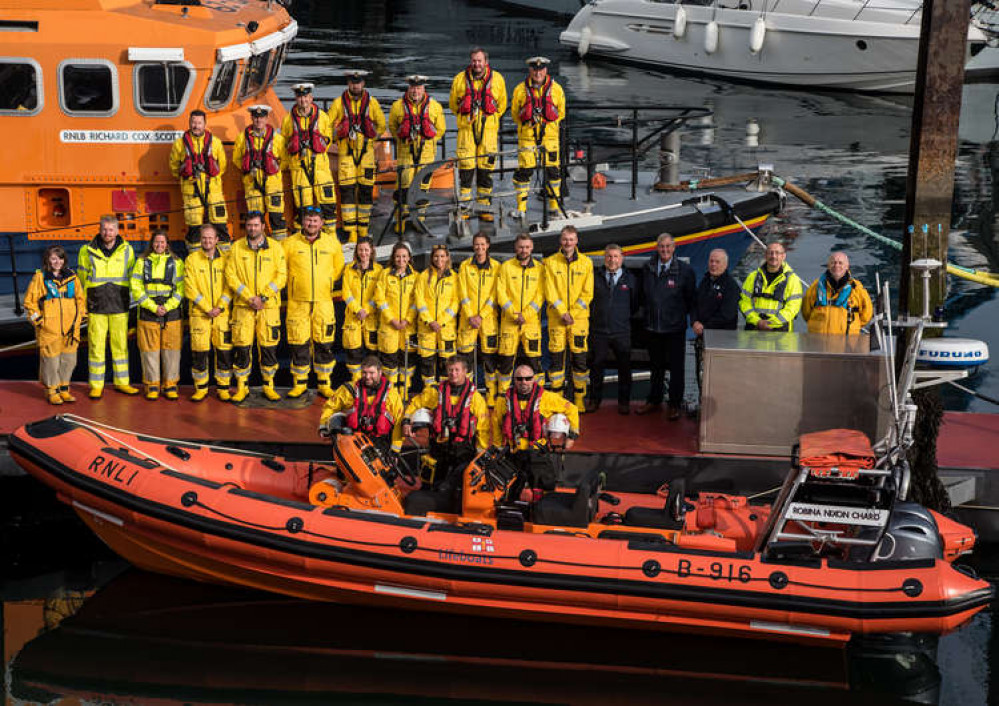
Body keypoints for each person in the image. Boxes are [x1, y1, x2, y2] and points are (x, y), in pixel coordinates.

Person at [402, 355, 490, 492]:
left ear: (465, 371)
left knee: (459, 488)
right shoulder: (435, 392)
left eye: (457, 370)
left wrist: (479, 455)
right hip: (439, 447)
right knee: (430, 485)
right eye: (450, 370)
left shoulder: (476, 399)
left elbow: (483, 429)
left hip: (463, 450)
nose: (453, 374)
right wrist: (406, 421)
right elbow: (415, 403)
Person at [282, 208, 345, 399]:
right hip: (297, 302)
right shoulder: (289, 244)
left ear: (322, 223)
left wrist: (324, 282)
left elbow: (338, 267)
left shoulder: (332, 243)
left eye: (315, 221)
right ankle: (299, 384)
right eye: (308, 220)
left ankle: (324, 384)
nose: (311, 224)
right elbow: (282, 269)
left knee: (324, 343)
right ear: (302, 222)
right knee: (298, 343)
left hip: (323, 301)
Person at [225, 211, 287, 402]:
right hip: (243, 307)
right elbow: (230, 276)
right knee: (242, 348)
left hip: (268, 308)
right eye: (249, 225)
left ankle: (268, 386)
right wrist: (249, 297)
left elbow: (281, 276)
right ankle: (242, 387)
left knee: (268, 348)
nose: (252, 228)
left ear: (262, 226)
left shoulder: (276, 248)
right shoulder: (236, 248)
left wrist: (263, 297)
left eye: (255, 225)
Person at [77, 215, 138, 398]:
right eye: (104, 229)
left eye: (111, 229)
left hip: (119, 304)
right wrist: (83, 304)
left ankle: (122, 383)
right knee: (96, 346)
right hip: (96, 304)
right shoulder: (86, 250)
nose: (107, 233)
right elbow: (81, 279)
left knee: (120, 346)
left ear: (117, 231)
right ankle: (96, 385)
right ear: (99, 229)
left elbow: (132, 276)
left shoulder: (127, 250)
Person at [492, 364, 579, 491]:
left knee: (545, 489)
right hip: (513, 453)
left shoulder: (548, 398)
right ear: (514, 380)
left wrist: (572, 437)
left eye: (528, 378)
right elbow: (497, 423)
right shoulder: (503, 401)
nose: (524, 382)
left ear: (534, 379)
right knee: (508, 491)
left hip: (537, 454)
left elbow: (572, 409)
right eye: (519, 379)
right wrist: (497, 448)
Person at [638, 233, 696, 420]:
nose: (664, 250)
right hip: (653, 327)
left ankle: (674, 404)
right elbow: (641, 295)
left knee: (677, 368)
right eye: (661, 246)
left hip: (674, 329)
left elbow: (690, 300)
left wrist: (679, 317)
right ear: (657, 247)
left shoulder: (685, 271)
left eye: (668, 247)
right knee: (656, 367)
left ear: (674, 248)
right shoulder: (647, 267)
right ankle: (654, 401)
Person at [449, 47, 507, 222]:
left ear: (486, 62)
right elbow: (453, 104)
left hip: (488, 132)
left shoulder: (497, 79)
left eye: (479, 60)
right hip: (467, 131)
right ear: (471, 61)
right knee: (465, 172)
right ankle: (465, 208)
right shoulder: (459, 79)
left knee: (486, 172)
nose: (476, 64)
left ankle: (484, 208)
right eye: (474, 60)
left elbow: (502, 104)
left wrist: (490, 120)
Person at [328, 70, 386, 243]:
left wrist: (371, 137)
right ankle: (350, 232)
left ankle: (363, 230)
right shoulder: (338, 103)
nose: (355, 86)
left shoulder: (372, 103)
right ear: (348, 84)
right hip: (346, 154)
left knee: (366, 193)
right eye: (353, 83)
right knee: (347, 194)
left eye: (358, 82)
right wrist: (338, 134)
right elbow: (327, 126)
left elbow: (381, 125)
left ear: (363, 84)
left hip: (366, 155)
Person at [24, 245, 86, 405]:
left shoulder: (73, 278)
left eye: (60, 258)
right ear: (48, 260)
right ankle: (51, 390)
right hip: (50, 329)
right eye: (53, 258)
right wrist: (39, 321)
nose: (57, 262)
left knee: (69, 360)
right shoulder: (40, 278)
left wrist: (79, 319)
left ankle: (64, 388)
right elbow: (30, 303)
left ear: (64, 260)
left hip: (71, 328)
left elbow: (80, 300)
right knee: (51, 362)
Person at [130, 230, 185, 400]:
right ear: (151, 244)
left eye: (162, 242)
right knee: (149, 350)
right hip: (148, 311)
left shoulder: (177, 262)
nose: (159, 245)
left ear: (167, 244)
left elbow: (181, 289)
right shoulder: (141, 262)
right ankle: (152, 385)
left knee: (172, 350)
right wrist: (153, 307)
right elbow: (136, 286)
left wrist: (167, 306)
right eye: (156, 242)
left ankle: (170, 384)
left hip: (172, 312)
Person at [510, 56, 566, 219]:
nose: (538, 72)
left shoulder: (557, 89)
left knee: (553, 173)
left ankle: (554, 206)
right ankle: (521, 208)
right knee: (524, 172)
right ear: (530, 70)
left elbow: (560, 113)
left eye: (541, 69)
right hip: (527, 138)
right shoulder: (520, 90)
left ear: (546, 70)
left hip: (550, 139)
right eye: (535, 69)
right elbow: (515, 115)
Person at [544, 225, 593, 409]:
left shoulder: (586, 263)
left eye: (571, 239)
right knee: (556, 363)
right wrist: (562, 312)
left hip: (578, 321)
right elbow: (550, 291)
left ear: (577, 241)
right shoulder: (550, 262)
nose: (568, 243)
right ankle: (558, 401)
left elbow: (587, 294)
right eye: (565, 239)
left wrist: (572, 313)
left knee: (580, 362)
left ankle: (579, 401)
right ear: (560, 241)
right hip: (557, 320)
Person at [387, 75, 445, 230]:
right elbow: (392, 127)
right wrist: (403, 138)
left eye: (418, 88)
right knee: (403, 186)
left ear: (423, 88)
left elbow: (440, 129)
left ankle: (419, 218)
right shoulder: (397, 106)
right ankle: (402, 219)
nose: (415, 91)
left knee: (422, 187)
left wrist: (428, 140)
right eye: (413, 88)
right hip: (405, 154)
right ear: (408, 88)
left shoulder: (435, 106)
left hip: (426, 155)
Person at [586, 243, 638, 415]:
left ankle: (623, 402)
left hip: (621, 331)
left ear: (621, 259)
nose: (612, 260)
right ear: (604, 258)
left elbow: (635, 304)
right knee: (596, 367)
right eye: (609, 256)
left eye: (616, 256)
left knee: (624, 367)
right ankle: (594, 400)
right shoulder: (595, 277)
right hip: (599, 331)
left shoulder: (630, 279)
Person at [184, 224, 233, 402]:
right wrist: (207, 308)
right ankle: (201, 388)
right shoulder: (192, 260)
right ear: (200, 239)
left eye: (210, 238)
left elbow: (230, 286)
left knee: (224, 352)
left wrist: (219, 307)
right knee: (199, 353)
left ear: (217, 240)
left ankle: (223, 388)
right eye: (204, 238)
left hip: (222, 314)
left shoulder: (226, 259)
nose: (207, 241)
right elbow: (189, 288)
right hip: (200, 315)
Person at [318, 355, 404, 454]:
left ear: (380, 373)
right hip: (352, 441)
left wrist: (395, 451)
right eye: (364, 373)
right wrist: (323, 426)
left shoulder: (392, 395)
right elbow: (330, 407)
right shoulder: (348, 390)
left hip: (380, 444)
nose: (367, 377)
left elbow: (399, 422)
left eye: (372, 373)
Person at [169, 110, 229, 249]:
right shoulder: (179, 144)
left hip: (214, 192)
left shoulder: (216, 143)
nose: (196, 126)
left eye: (199, 123)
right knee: (194, 229)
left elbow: (222, 166)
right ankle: (196, 262)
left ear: (205, 123)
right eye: (193, 122)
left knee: (220, 226)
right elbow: (174, 168)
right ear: (189, 123)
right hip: (191, 193)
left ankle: (224, 258)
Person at [281, 83, 336, 231]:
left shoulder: (323, 117)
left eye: (305, 96)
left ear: (311, 98)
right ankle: (304, 237)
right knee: (303, 206)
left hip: (320, 168)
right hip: (299, 168)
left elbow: (328, 141)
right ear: (296, 99)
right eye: (299, 97)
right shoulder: (288, 120)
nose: (302, 100)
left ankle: (330, 236)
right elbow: (284, 143)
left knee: (328, 204)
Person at [496, 233, 545, 393]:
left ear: (532, 248)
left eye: (527, 247)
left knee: (535, 362)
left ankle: (538, 396)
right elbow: (501, 293)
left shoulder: (539, 269)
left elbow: (540, 295)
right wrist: (514, 314)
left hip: (530, 324)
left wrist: (527, 315)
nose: (524, 250)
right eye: (521, 247)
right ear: (515, 248)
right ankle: (503, 397)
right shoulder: (506, 267)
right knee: (505, 363)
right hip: (509, 323)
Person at [456, 231, 500, 406]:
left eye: (483, 244)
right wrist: (470, 315)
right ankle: (469, 395)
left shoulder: (497, 267)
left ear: (488, 245)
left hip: (488, 321)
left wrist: (481, 315)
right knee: (467, 360)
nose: (479, 248)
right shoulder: (465, 266)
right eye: (477, 244)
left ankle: (490, 396)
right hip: (467, 321)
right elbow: (462, 293)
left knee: (489, 361)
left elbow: (495, 294)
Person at [232, 104, 287, 241]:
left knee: (277, 218)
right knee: (256, 219)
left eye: (261, 117)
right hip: (252, 185)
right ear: (251, 118)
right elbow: (236, 159)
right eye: (256, 117)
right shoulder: (242, 138)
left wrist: (274, 168)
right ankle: (258, 245)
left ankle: (279, 247)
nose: (258, 120)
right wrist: (248, 169)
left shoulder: (277, 139)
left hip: (273, 184)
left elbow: (285, 160)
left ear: (267, 118)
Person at [691, 248, 740, 395]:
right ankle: (702, 405)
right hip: (703, 338)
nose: (713, 265)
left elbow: (728, 315)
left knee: (720, 379)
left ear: (725, 264)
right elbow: (694, 304)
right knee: (701, 376)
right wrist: (694, 322)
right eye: (711, 261)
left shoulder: (731, 286)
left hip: (721, 341)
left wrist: (704, 326)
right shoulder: (705, 282)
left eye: (717, 262)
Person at [375, 241, 418, 395]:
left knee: (407, 363)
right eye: (398, 256)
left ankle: (404, 392)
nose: (401, 260)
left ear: (409, 258)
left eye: (404, 256)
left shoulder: (416, 277)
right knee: (389, 363)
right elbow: (380, 299)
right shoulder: (384, 275)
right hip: (389, 327)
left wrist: (407, 320)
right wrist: (391, 319)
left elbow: (416, 302)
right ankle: (391, 394)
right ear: (393, 258)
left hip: (408, 327)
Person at [414, 244, 460, 389]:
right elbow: (419, 300)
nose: (439, 259)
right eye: (436, 256)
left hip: (446, 329)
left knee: (447, 363)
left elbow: (455, 303)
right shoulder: (423, 276)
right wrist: (429, 321)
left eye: (442, 256)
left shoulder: (454, 277)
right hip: (427, 328)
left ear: (447, 257)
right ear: (431, 258)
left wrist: (441, 322)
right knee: (427, 363)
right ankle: (429, 392)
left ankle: (446, 393)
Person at [341, 236, 383, 381]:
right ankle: (356, 383)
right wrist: (357, 309)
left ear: (372, 251)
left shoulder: (379, 270)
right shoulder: (349, 269)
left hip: (371, 319)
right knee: (354, 354)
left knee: (373, 353)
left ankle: (373, 383)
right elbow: (346, 293)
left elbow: (379, 293)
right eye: (360, 250)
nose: (363, 253)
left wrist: (366, 310)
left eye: (366, 250)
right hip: (353, 318)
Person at [739, 241, 805, 332]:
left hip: (780, 333)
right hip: (754, 329)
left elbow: (792, 308)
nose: (773, 256)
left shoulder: (793, 280)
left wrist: (771, 323)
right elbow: (744, 303)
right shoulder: (752, 277)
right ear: (765, 256)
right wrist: (757, 321)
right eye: (770, 253)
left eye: (777, 253)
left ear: (783, 256)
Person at [802, 251, 874, 334]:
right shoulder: (815, 286)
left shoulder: (857, 288)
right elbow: (806, 311)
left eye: (840, 263)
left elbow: (867, 313)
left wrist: (854, 326)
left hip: (847, 341)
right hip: (818, 339)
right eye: (833, 262)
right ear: (828, 266)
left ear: (847, 266)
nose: (837, 265)